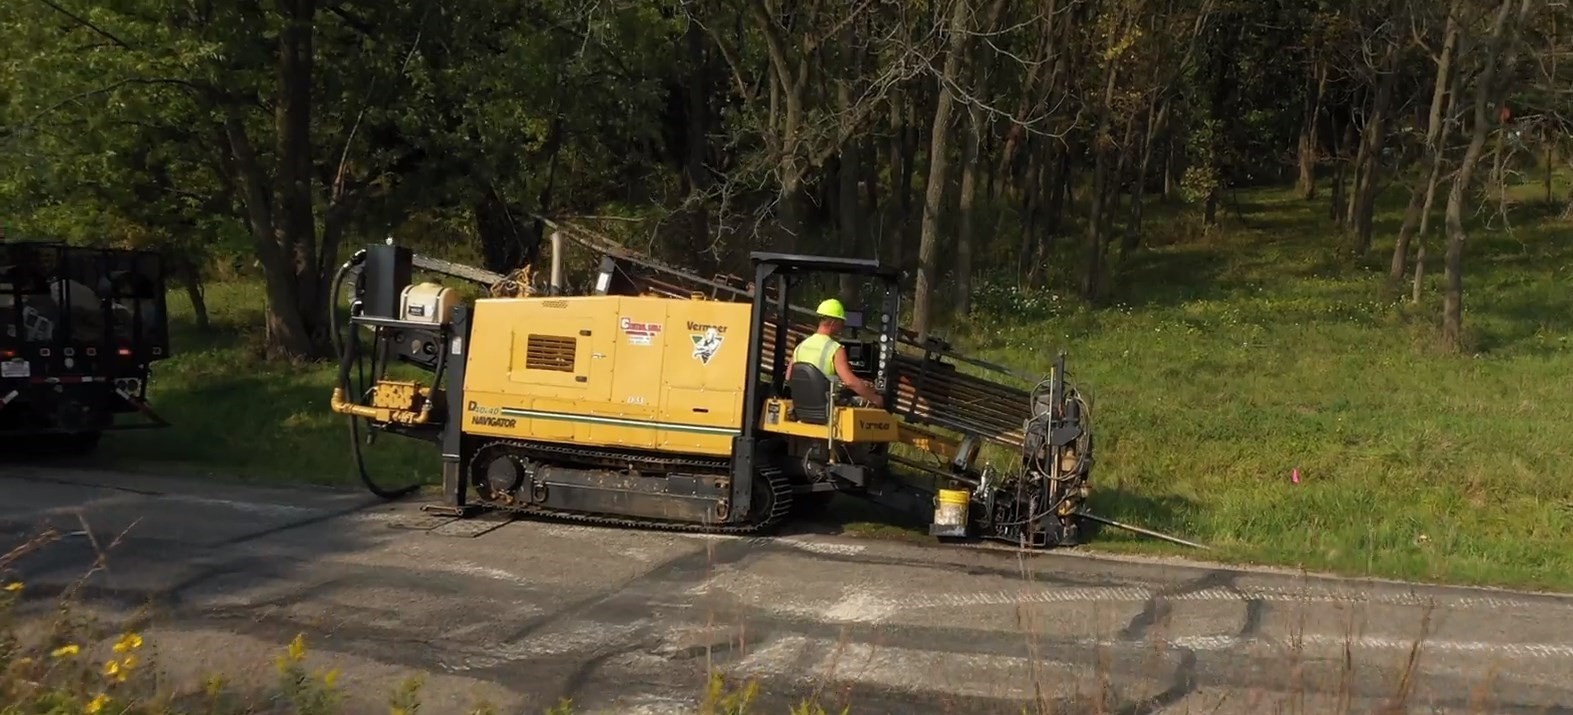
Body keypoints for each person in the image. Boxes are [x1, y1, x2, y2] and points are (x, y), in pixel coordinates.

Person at [787, 298, 885, 409]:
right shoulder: (835, 349)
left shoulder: (800, 346)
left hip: (801, 405)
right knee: (867, 404)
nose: (843, 326)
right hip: (826, 408)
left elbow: (789, 377)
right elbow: (850, 382)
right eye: (841, 322)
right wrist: (874, 397)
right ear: (834, 322)